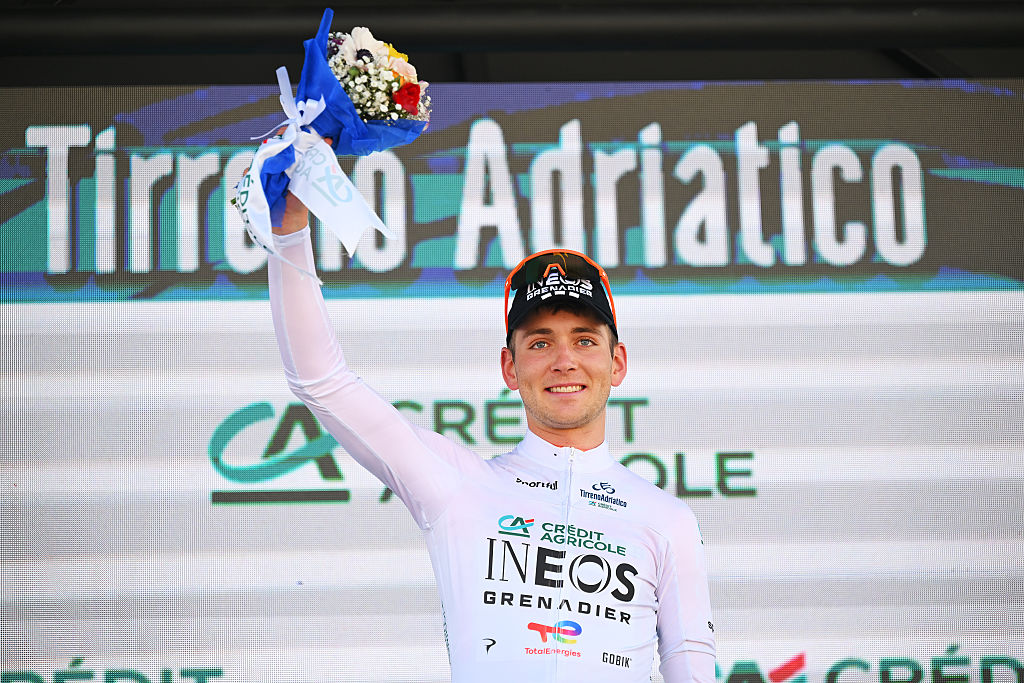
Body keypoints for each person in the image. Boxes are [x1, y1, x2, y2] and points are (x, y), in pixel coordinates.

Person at [267, 187, 716, 682]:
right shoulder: (458, 487)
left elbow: (689, 664)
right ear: (510, 366)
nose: (564, 360)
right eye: (540, 342)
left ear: (617, 363)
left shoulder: (666, 518)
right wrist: (289, 230)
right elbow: (322, 382)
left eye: (584, 340)